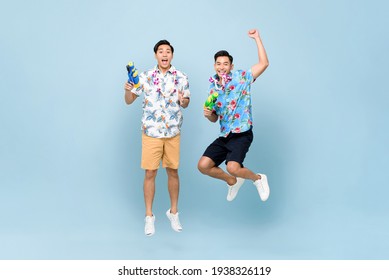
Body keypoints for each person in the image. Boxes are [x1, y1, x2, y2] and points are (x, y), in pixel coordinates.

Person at [124, 40, 190, 236]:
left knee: (173, 172)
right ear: (155, 55)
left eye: (168, 51)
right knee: (150, 173)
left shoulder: (181, 77)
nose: (164, 54)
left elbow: (186, 102)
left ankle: (174, 213)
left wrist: (182, 100)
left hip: (172, 132)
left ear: (172, 55)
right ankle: (149, 217)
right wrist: (127, 89)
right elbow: (129, 101)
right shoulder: (144, 77)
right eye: (160, 51)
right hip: (151, 132)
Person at [197, 29, 270, 202]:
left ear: (231, 66)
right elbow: (214, 118)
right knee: (203, 166)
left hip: (242, 133)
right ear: (215, 66)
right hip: (225, 134)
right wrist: (208, 114)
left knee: (233, 167)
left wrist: (257, 38)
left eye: (225, 63)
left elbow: (264, 63)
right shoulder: (213, 88)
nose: (222, 67)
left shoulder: (242, 77)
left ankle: (258, 179)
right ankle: (232, 182)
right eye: (218, 63)